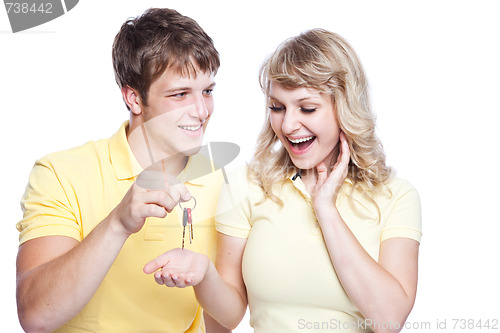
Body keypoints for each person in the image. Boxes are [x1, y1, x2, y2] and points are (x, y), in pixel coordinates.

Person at [144, 29, 422, 332]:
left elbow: (390, 320)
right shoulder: (247, 185)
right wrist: (204, 273)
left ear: (345, 107)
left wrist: (326, 210)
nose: (288, 125)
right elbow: (228, 316)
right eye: (277, 107)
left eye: (307, 108)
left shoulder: (396, 196)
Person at [16, 8, 229, 333]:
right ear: (134, 98)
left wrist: (207, 277)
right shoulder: (59, 173)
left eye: (208, 91)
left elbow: (222, 323)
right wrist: (117, 224)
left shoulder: (221, 182)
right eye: (180, 94)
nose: (201, 111)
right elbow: (35, 316)